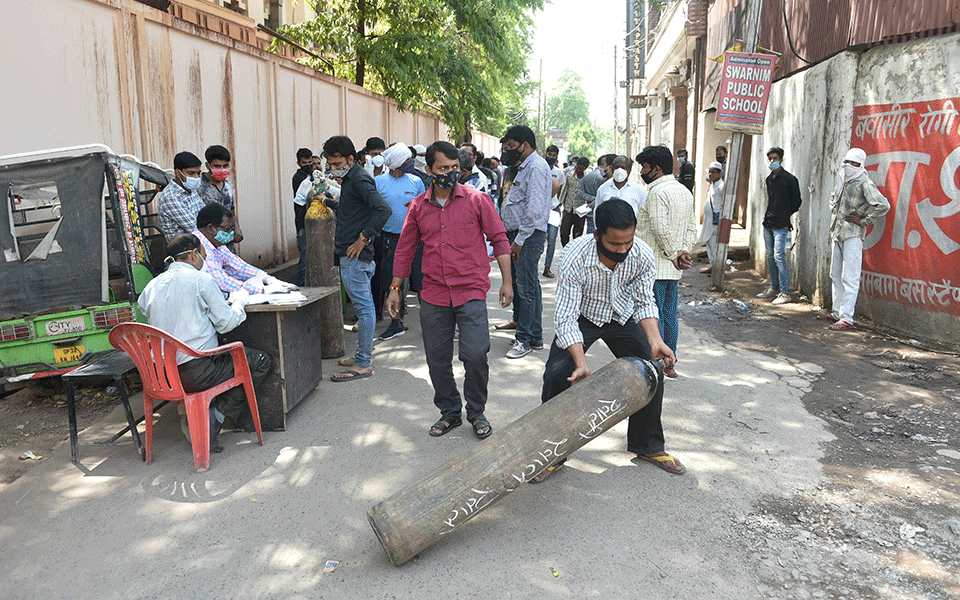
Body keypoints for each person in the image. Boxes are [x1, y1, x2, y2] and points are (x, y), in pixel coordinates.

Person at [535, 199, 681, 483]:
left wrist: (655, 341)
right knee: (557, 376)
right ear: (597, 234)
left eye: (628, 242)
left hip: (622, 314)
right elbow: (565, 316)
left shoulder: (641, 254)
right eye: (615, 244)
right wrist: (580, 363)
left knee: (651, 372)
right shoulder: (575, 255)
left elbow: (644, 301)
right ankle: (551, 453)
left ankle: (648, 445)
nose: (623, 249)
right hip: (583, 315)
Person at [388, 141, 513, 439]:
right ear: (429, 170)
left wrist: (507, 281)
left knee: (475, 353)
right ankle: (449, 411)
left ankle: (477, 411)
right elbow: (404, 251)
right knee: (437, 359)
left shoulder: (477, 200)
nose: (449, 173)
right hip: (433, 293)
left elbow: (499, 239)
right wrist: (395, 288)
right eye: (443, 168)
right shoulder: (418, 206)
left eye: (454, 168)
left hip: (470, 290)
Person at [137, 234, 271, 453]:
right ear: (193, 254)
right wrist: (239, 301)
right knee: (260, 361)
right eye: (204, 256)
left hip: (161, 377)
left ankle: (193, 417)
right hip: (196, 373)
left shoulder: (151, 286)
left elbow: (146, 308)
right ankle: (217, 415)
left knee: (209, 356)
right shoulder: (201, 281)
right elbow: (226, 323)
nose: (204, 261)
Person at [324, 135, 392, 382]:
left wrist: (363, 238)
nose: (333, 168)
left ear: (351, 159)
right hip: (353, 256)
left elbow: (383, 209)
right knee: (365, 309)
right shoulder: (351, 180)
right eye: (330, 164)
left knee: (364, 311)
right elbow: (352, 209)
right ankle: (362, 354)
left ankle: (363, 363)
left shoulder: (360, 179)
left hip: (356, 257)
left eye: (337, 162)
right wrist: (328, 202)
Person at [635, 145, 697, 379]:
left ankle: (659, 363)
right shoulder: (684, 191)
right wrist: (683, 253)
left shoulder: (658, 193)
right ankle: (670, 363)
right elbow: (692, 228)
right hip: (673, 268)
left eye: (645, 167)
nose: (642, 171)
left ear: (656, 169)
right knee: (669, 314)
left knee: (655, 315)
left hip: (657, 266)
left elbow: (660, 229)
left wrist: (673, 255)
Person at [820, 148, 890, 331]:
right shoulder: (842, 177)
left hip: (853, 234)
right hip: (837, 232)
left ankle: (846, 317)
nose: (850, 166)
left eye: (854, 163)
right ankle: (836, 312)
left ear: (861, 164)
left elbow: (883, 205)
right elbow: (833, 198)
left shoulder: (864, 182)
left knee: (849, 277)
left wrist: (864, 220)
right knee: (835, 275)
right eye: (848, 162)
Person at [497, 125, 551, 359]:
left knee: (526, 288)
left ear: (525, 145)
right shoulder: (522, 167)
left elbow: (534, 210)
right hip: (518, 234)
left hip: (526, 236)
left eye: (510, 147)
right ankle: (533, 334)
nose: (507, 152)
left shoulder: (536, 167)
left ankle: (525, 340)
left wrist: (519, 240)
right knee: (526, 285)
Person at [375, 142, 424, 340]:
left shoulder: (416, 181)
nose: (411, 163)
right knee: (392, 284)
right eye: (407, 160)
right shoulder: (379, 182)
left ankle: (434, 322)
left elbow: (424, 206)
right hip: (391, 240)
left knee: (422, 283)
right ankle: (396, 323)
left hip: (417, 239)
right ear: (396, 164)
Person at [192, 203, 292, 295]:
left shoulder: (216, 244)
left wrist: (267, 278)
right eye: (227, 229)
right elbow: (222, 282)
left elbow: (239, 267)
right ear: (210, 228)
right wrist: (261, 291)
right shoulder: (199, 246)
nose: (230, 234)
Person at [757, 147, 802, 305]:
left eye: (774, 158)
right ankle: (774, 287)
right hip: (768, 223)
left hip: (781, 225)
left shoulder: (790, 179)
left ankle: (785, 292)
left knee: (779, 257)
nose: (771, 161)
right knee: (770, 257)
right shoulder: (770, 179)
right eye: (769, 159)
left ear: (781, 160)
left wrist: (785, 214)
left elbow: (797, 202)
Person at [197, 145, 244, 251]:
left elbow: (231, 212)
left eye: (225, 166)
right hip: (208, 244)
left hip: (228, 243)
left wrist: (237, 227)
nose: (222, 170)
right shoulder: (198, 187)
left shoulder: (229, 187)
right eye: (217, 166)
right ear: (208, 166)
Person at [158, 151, 206, 241]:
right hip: (186, 251)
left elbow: (206, 214)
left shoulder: (191, 190)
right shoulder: (170, 197)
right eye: (191, 173)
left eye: (198, 173)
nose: (196, 177)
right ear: (178, 173)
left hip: (201, 244)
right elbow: (195, 229)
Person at [542, 144, 565, 279]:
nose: (551, 157)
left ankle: (547, 267)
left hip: (554, 209)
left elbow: (559, 190)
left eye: (554, 155)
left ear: (557, 157)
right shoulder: (540, 169)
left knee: (552, 239)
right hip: (541, 208)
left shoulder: (559, 173)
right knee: (538, 239)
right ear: (545, 154)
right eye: (549, 155)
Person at [292, 147, 314, 287]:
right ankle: (300, 287)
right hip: (303, 224)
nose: (308, 165)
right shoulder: (299, 178)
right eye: (304, 163)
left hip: (314, 222)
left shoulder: (312, 175)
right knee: (305, 259)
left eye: (309, 162)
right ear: (299, 163)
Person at [579, 154, 616, 234]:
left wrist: (592, 201)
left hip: (591, 212)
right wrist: (595, 200)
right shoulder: (605, 180)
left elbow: (581, 192)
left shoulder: (587, 177)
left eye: (603, 165)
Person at [558, 157, 590, 246]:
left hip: (580, 211)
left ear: (585, 168)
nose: (579, 169)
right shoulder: (569, 175)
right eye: (578, 166)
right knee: (564, 233)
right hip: (568, 209)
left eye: (582, 167)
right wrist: (560, 204)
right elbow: (565, 190)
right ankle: (566, 249)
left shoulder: (587, 179)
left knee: (577, 235)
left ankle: (574, 250)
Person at [699, 162, 724, 273]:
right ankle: (712, 265)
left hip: (716, 219)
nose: (710, 174)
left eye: (712, 172)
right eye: (709, 172)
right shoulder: (712, 185)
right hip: (708, 219)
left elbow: (725, 202)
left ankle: (717, 268)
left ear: (719, 173)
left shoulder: (721, 186)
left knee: (713, 243)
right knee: (709, 242)